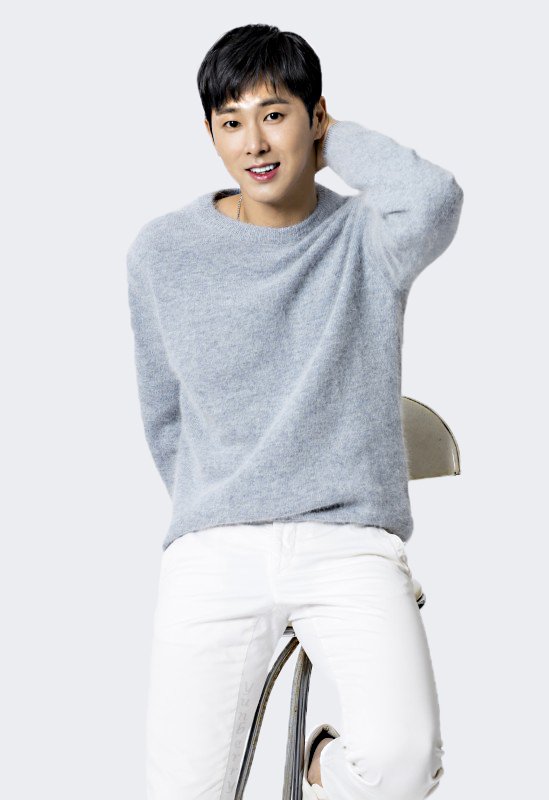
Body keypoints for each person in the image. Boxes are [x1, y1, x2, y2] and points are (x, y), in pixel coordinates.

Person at [126, 23, 464, 800]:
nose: (253, 143)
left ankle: (317, 758)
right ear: (210, 133)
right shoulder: (163, 252)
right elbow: (163, 413)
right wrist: (214, 503)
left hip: (347, 539)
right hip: (215, 543)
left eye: (273, 114)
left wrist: (330, 137)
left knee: (401, 762)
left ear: (314, 117)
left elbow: (433, 197)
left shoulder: (366, 239)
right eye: (231, 122)